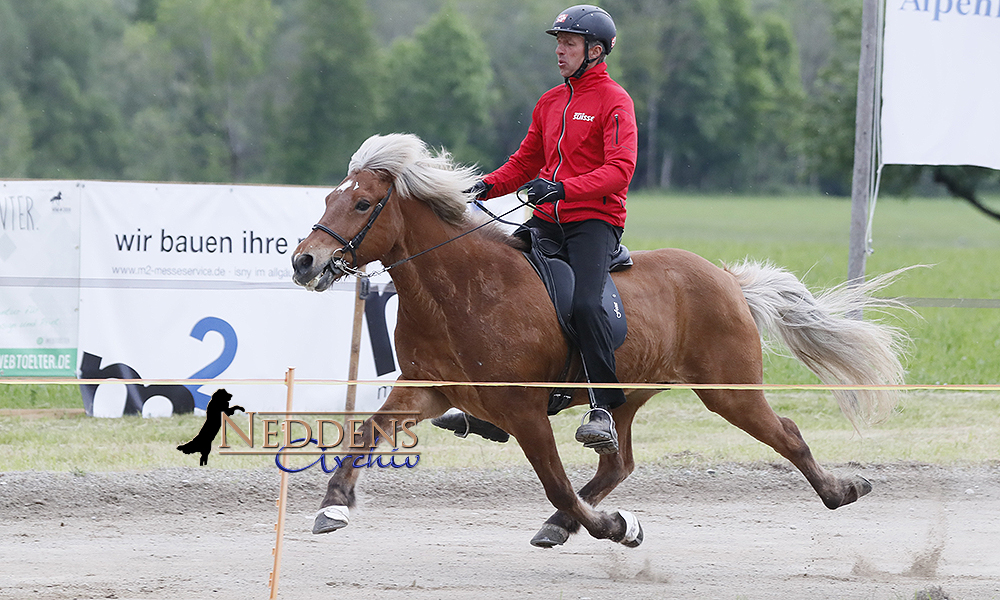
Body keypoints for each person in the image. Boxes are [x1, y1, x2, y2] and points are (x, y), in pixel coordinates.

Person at [432, 5, 638, 455]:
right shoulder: (550, 101)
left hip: (594, 224)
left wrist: (562, 189)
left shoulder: (614, 100)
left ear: (595, 51)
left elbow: (620, 170)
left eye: (569, 44)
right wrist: (484, 186)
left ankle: (601, 406)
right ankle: (489, 409)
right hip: (546, 222)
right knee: (493, 290)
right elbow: (525, 161)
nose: (560, 51)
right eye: (558, 43)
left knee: (585, 305)